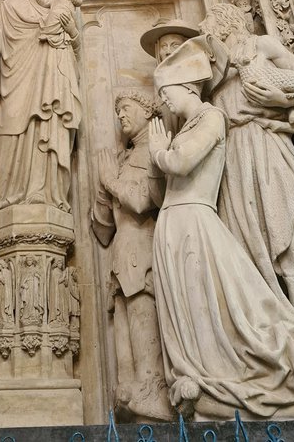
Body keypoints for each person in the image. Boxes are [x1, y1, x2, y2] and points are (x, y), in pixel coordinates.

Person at [149, 36, 294, 420]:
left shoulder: (211, 116)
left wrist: (158, 153)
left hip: (205, 214)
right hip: (179, 222)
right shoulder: (188, 124)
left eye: (166, 92)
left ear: (187, 86)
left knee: (248, 304)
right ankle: (206, 375)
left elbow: (180, 163)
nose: (164, 101)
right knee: (199, 309)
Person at [200, 3, 294, 325]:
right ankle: (280, 331)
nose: (204, 28)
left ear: (226, 22)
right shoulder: (210, 68)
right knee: (249, 252)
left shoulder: (261, 45)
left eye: (208, 21)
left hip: (266, 144)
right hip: (231, 159)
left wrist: (282, 100)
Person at [0, 0, 81, 211]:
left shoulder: (52, 1)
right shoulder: (3, 2)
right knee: (10, 126)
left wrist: (71, 29)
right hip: (13, 74)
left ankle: (45, 194)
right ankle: (8, 195)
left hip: (48, 71)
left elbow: (74, 45)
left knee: (45, 126)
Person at [91, 91, 171, 420]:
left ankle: (153, 403)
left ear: (146, 110)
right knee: (124, 348)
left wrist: (110, 182)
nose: (121, 116)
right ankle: (129, 402)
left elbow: (143, 201)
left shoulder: (154, 149)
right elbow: (103, 227)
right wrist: (102, 190)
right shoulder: (123, 158)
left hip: (144, 250)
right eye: (117, 111)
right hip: (121, 254)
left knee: (145, 336)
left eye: (126, 108)